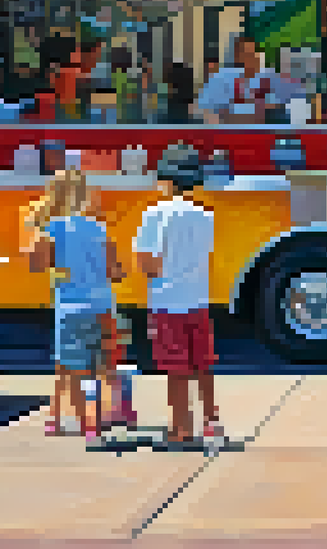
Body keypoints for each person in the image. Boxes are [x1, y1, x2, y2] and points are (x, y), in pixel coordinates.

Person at [27, 169, 124, 446]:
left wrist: (56, 263)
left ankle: (87, 424)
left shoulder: (52, 229)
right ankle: (83, 417)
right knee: (95, 366)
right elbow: (115, 272)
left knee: (73, 368)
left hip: (71, 307)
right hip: (103, 306)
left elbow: (37, 264)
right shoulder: (99, 229)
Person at [134, 143, 221, 446]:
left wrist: (156, 276)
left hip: (167, 301)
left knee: (177, 369)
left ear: (167, 181)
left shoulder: (154, 214)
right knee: (203, 365)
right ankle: (211, 422)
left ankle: (181, 428)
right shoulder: (205, 216)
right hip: (197, 300)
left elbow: (148, 262)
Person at [196, 36, 284, 125]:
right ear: (237, 56)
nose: (251, 58)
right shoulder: (222, 77)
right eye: (246, 54)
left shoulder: (264, 78)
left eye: (252, 53)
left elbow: (275, 104)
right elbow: (203, 107)